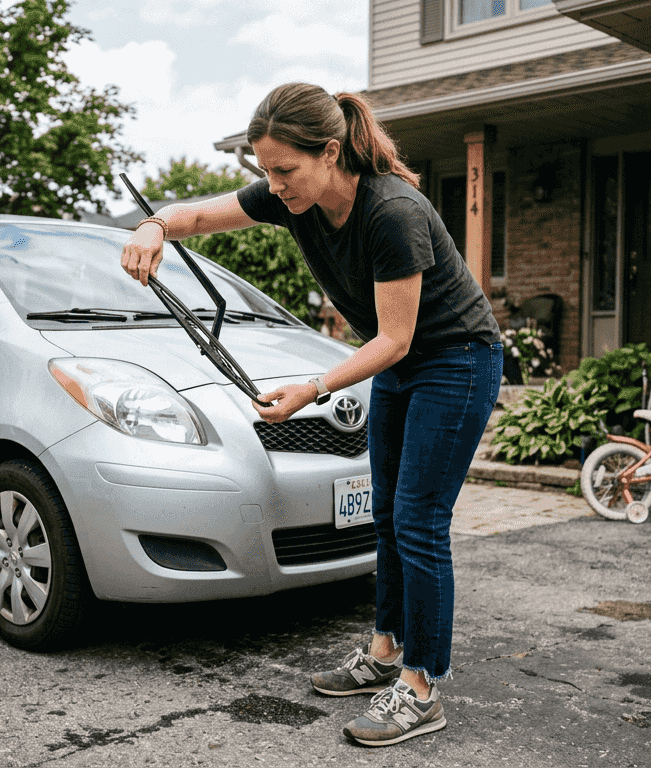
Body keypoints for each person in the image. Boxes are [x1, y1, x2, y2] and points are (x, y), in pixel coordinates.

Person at [120, 82, 502, 747]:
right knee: (387, 511)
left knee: (418, 520)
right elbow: (200, 218)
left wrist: (312, 388)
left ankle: (419, 686)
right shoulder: (290, 199)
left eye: (285, 170)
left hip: (456, 362)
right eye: (265, 170)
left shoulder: (391, 213)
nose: (274, 184)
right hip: (406, 364)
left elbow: (395, 339)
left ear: (330, 152)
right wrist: (155, 225)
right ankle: (384, 652)